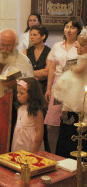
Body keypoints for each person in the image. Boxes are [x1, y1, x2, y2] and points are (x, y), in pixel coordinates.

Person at [44, 16, 83, 154]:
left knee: (70, 123)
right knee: (51, 124)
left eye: (73, 27)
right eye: (67, 26)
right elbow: (52, 69)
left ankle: (67, 153)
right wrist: (49, 88)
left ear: (79, 30)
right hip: (58, 85)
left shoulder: (81, 46)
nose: (69, 30)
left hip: (74, 86)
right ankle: (53, 154)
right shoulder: (57, 46)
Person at [53, 26, 87, 158]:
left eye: (81, 46)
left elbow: (79, 70)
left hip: (81, 89)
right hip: (77, 90)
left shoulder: (84, 58)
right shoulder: (81, 56)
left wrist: (73, 68)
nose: (78, 47)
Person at [11, 78, 47, 153]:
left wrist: (34, 151)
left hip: (30, 143)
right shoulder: (20, 108)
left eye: (22, 93)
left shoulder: (36, 110)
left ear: (31, 94)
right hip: (18, 141)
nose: (18, 95)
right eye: (17, 92)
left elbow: (39, 131)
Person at [23, 25, 50, 94]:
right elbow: (23, 71)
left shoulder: (49, 52)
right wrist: (38, 75)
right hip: (28, 87)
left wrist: (30, 73)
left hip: (43, 88)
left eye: (35, 35)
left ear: (43, 36)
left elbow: (47, 73)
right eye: (31, 35)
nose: (31, 37)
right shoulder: (26, 51)